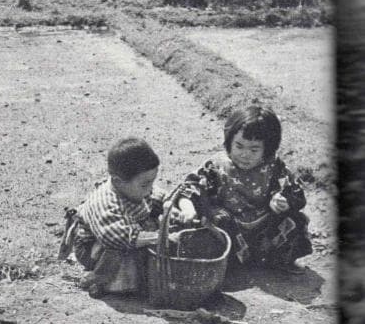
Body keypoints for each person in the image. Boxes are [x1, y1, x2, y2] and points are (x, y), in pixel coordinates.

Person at [173, 104, 312, 274]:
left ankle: (277, 258)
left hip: (262, 227)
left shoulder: (274, 167)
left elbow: (295, 191)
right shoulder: (217, 166)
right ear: (229, 141)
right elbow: (190, 187)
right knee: (214, 224)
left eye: (254, 149)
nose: (245, 154)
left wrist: (284, 200)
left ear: (267, 149)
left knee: (296, 220)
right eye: (239, 146)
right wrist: (187, 209)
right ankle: (230, 264)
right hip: (230, 227)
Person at [59, 138, 164, 296]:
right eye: (144, 184)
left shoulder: (134, 189)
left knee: (155, 222)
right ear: (119, 182)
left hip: (126, 229)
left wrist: (175, 207)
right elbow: (117, 237)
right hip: (95, 246)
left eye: (151, 182)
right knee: (120, 253)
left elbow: (159, 196)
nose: (150, 189)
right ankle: (99, 278)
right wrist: (158, 237)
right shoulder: (105, 203)